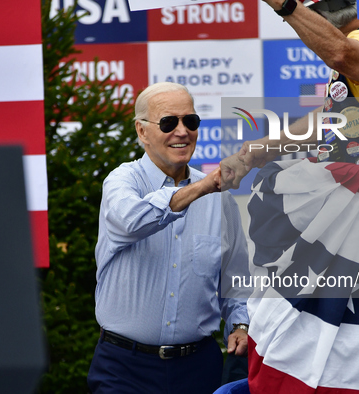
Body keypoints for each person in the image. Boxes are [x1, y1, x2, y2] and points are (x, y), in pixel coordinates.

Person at [87, 82, 250, 394]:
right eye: (168, 122)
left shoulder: (218, 195)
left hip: (198, 367)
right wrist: (201, 188)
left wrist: (239, 325)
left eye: (190, 121)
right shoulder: (122, 183)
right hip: (123, 368)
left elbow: (235, 277)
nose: (182, 131)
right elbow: (133, 221)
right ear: (142, 131)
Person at [222, 0, 359, 190]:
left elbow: (340, 55)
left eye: (302, 20)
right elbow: (341, 117)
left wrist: (286, 5)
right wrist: (265, 147)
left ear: (319, 13)